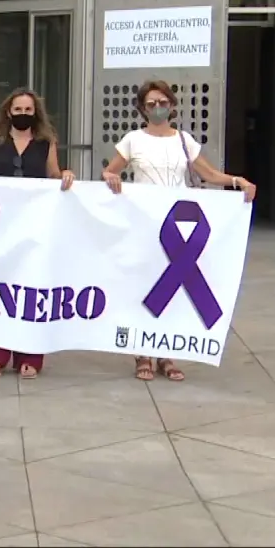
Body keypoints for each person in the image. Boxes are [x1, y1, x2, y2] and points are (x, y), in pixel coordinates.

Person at [102, 79, 256, 382]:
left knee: (173, 289)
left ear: (172, 105)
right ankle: (142, 352)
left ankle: (166, 353)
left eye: (162, 102)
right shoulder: (133, 139)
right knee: (145, 285)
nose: (157, 108)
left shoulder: (184, 140)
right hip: (145, 222)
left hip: (177, 223)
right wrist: (110, 177)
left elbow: (208, 173)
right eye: (151, 104)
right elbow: (110, 170)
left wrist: (237, 181)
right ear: (142, 109)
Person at [0, 88, 75, 378]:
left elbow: (53, 174)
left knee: (31, 287)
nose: (23, 114)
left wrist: (65, 175)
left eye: (28, 110)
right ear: (8, 112)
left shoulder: (46, 142)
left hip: (33, 227)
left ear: (36, 113)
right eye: (18, 110)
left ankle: (29, 355)